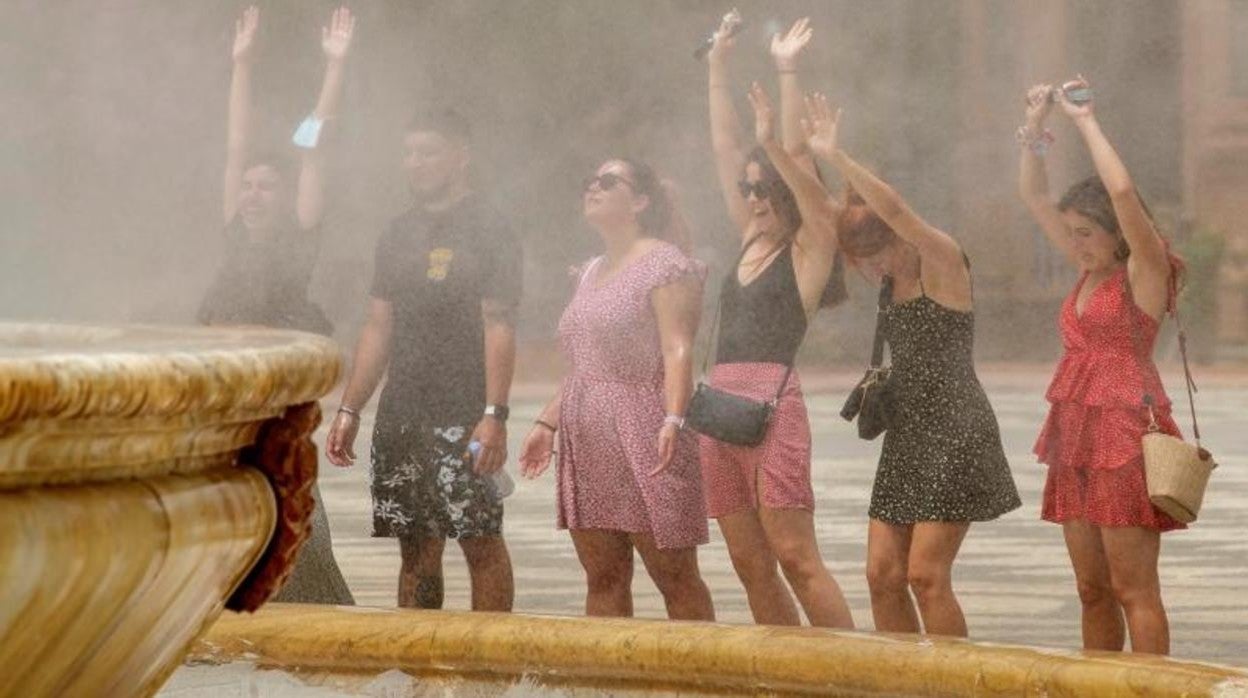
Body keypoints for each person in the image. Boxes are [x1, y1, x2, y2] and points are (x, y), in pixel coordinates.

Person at [805, 93, 1021, 637]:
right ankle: (899, 683)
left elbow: (895, 209)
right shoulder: (885, 274)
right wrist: (779, 142)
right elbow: (813, 206)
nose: (870, 267)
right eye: (860, 260)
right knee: (881, 574)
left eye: (876, 253)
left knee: (926, 575)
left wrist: (837, 155)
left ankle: (950, 685)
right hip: (908, 431)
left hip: (956, 428)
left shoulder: (941, 259)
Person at [325, 107, 521, 612]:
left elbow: (499, 324)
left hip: (465, 412)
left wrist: (495, 415)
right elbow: (378, 326)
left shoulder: (490, 227)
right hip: (402, 412)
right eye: (408, 153)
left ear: (461, 155)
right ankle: (415, 677)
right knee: (413, 549)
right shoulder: (397, 232)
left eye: (428, 152)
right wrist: (349, 409)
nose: (415, 163)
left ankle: (493, 674)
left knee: (479, 539)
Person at [1018, 77, 1185, 655]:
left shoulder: (1143, 272)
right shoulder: (1089, 268)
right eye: (1072, 235)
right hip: (1074, 433)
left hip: (1123, 432)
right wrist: (1037, 131)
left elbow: (1121, 194)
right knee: (1091, 589)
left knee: (1133, 587)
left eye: (1086, 234)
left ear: (1118, 236)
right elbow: (1035, 198)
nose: (1076, 244)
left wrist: (1084, 121)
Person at [699, 15, 853, 629]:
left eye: (766, 190)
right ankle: (786, 676)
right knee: (747, 560)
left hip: (771, 408)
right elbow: (724, 149)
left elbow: (800, 171)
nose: (755, 197)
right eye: (748, 189)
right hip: (719, 409)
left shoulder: (808, 250)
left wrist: (787, 72)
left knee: (794, 553)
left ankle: (851, 677)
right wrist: (717, 67)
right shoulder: (748, 238)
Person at [201, 5, 355, 606]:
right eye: (247, 186)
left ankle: (319, 603)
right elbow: (236, 144)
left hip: (278, 391)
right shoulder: (232, 229)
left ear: (288, 196)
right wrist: (241, 65)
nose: (251, 192)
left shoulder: (299, 229)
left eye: (265, 185)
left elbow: (315, 146)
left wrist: (333, 71)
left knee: (286, 492)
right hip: (231, 389)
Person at [517, 159, 715, 622]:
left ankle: (704, 685)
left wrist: (673, 418)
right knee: (603, 575)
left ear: (641, 201)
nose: (594, 188)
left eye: (609, 182)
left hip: (646, 427)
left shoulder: (665, 264)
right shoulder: (588, 271)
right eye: (590, 181)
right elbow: (585, 365)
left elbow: (677, 348)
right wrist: (547, 420)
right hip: (588, 437)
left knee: (674, 574)